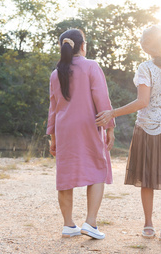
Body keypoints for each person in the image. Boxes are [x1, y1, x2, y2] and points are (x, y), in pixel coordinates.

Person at [95, 25, 161, 241]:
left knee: (147, 178)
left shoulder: (145, 68)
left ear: (146, 49)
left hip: (149, 129)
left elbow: (143, 101)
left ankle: (148, 226)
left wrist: (113, 113)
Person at [47, 28, 116, 240]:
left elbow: (53, 107)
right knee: (97, 169)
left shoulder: (55, 73)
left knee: (65, 174)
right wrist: (110, 126)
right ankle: (90, 223)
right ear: (82, 46)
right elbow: (102, 99)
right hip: (89, 125)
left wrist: (53, 137)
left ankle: (68, 225)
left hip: (64, 129)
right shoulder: (91, 66)